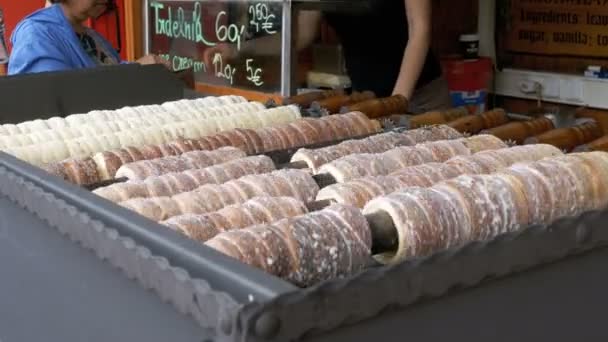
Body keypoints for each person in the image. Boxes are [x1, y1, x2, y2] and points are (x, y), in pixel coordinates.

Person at [204, 0, 452, 114]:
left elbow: (420, 31)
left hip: (421, 99)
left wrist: (397, 102)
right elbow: (298, 37)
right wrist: (238, 50)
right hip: (365, 102)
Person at [8, 0, 170, 75]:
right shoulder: (36, 37)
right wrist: (134, 70)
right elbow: (56, 101)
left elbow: (108, 72)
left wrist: (148, 70)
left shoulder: (91, 36)